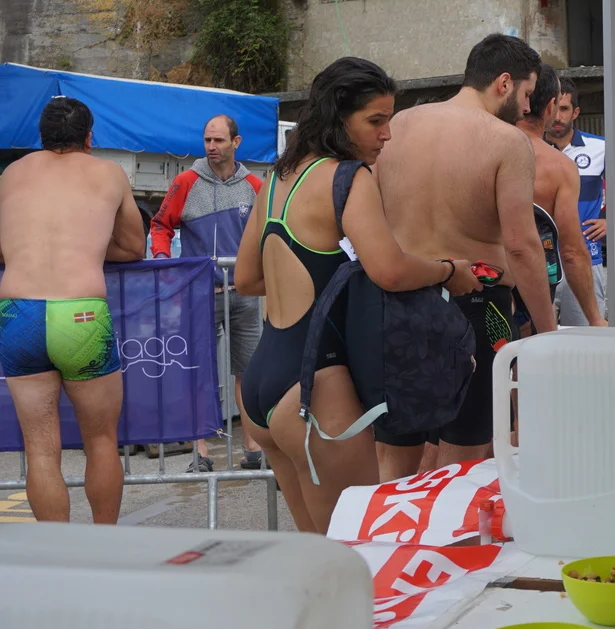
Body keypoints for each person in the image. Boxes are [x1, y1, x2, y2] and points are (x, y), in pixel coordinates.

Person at [234, 58, 477, 533]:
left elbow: (246, 278)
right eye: (375, 121)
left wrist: (317, 281)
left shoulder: (278, 179)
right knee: (356, 548)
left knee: (318, 551)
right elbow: (390, 269)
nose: (387, 134)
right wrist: (448, 272)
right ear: (338, 117)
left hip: (265, 382)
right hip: (314, 385)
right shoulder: (347, 177)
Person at [375, 34, 556, 478]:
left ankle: (400, 526)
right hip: (479, 306)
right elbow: (521, 245)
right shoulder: (506, 141)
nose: (528, 108)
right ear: (504, 83)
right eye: (527, 94)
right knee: (466, 460)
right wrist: (548, 331)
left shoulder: (400, 125)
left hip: (399, 304)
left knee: (394, 458)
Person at [0, 97, 146, 523]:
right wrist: (89, 248)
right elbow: (134, 247)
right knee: (100, 441)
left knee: (40, 450)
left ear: (41, 137)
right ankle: (102, 545)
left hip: (18, 311)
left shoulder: (11, 174)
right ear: (89, 138)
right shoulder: (109, 173)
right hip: (80, 313)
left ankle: (59, 550)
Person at [151, 114, 265, 472]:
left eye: (218, 140)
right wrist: (163, 261)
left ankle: (253, 448)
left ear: (236, 142)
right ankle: (200, 452)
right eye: (207, 141)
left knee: (249, 373)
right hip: (199, 294)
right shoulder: (186, 181)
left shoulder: (254, 185)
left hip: (244, 295)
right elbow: (160, 225)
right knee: (199, 373)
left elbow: (267, 234)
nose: (211, 147)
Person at [545, 76, 615, 325]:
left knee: (587, 338)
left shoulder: (600, 147)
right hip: (540, 261)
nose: (558, 116)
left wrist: (612, 220)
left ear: (576, 112)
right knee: (537, 341)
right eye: (554, 108)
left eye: (564, 109)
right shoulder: (530, 147)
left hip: (585, 261)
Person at [516, 63, 605, 331]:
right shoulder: (558, 167)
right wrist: (595, 318)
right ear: (550, 106)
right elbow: (571, 252)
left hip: (478, 282)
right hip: (535, 279)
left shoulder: (479, 147)